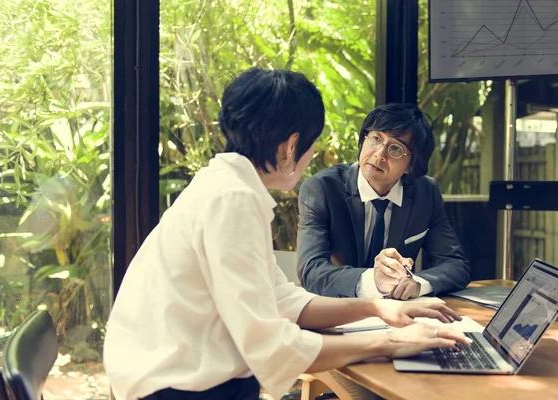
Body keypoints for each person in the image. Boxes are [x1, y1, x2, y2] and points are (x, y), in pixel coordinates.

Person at [103, 69, 470, 400]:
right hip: (176, 389)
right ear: (291, 146)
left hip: (181, 377)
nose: (312, 156)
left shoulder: (226, 186)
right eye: (311, 145)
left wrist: (379, 307)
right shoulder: (232, 199)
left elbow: (283, 300)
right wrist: (392, 341)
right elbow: (271, 345)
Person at [297, 103, 471, 301]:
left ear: (411, 165)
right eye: (376, 139)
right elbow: (310, 270)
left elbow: (456, 264)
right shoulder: (322, 189)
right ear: (364, 140)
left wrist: (417, 283)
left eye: (395, 148)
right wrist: (373, 281)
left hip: (399, 312)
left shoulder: (425, 193)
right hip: (338, 309)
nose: (380, 154)